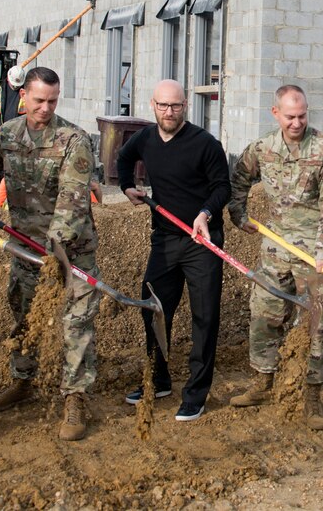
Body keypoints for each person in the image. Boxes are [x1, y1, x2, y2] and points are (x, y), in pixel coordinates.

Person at [0, 67, 102, 439]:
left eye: (52, 101)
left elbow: (72, 196)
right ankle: (22, 381)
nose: (45, 108)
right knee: (23, 316)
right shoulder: (6, 136)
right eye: (39, 100)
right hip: (24, 249)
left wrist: (57, 246)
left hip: (71, 252)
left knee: (76, 322)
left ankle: (75, 398)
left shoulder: (73, 139)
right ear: (23, 97)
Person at [227, 85, 323, 431]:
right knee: (264, 314)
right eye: (290, 116)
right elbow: (239, 178)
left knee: (318, 322)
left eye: (302, 115)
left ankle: (312, 396)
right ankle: (263, 382)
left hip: (316, 254)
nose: (297, 122)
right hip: (276, 249)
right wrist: (238, 212)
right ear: (276, 113)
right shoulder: (264, 148)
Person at [117, 79, 231, 422]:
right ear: (153, 105)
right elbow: (124, 159)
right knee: (153, 308)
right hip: (164, 240)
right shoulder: (146, 138)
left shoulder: (205, 144)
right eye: (163, 106)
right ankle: (159, 379)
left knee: (204, 316)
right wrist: (126, 187)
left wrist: (204, 213)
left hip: (202, 242)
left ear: (186, 106)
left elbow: (222, 187)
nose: (170, 112)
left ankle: (195, 393)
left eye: (176, 106)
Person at [0, 65, 26, 131]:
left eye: (17, 85)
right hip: (2, 129)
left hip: (19, 130)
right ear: (8, 78)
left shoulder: (26, 91)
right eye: (13, 85)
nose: (15, 87)